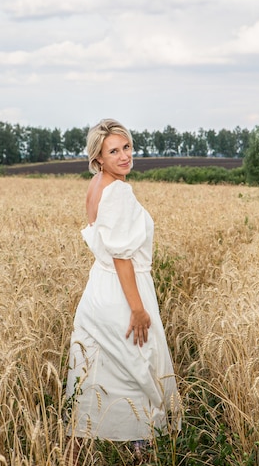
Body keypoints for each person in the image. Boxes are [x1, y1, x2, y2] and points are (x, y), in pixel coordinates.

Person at [65, 119, 180, 448]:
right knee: (135, 372)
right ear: (98, 157)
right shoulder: (118, 191)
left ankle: (74, 463)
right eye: (113, 151)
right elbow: (121, 257)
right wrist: (138, 309)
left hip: (97, 290)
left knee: (95, 375)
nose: (124, 156)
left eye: (126, 147)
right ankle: (140, 461)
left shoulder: (96, 184)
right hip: (122, 292)